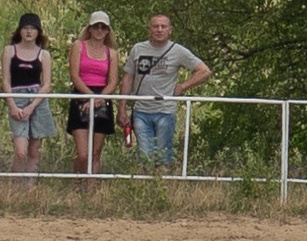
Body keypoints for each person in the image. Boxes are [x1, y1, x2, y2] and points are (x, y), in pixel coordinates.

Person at [119, 14, 210, 168]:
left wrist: (183, 86)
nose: (159, 30)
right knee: (145, 156)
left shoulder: (178, 51)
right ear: (149, 29)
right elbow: (128, 78)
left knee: (162, 156)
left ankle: (164, 187)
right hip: (141, 110)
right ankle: (144, 189)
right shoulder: (138, 49)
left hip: (165, 111)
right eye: (156, 26)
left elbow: (204, 71)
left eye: (163, 26)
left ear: (170, 30)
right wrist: (121, 108)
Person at [66, 13, 118, 178]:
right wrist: (90, 97)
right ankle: (76, 183)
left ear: (108, 31)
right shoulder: (78, 46)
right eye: (96, 26)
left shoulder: (112, 53)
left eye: (103, 27)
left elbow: (113, 81)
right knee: (82, 153)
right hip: (81, 95)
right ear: (90, 28)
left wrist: (99, 99)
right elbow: (74, 75)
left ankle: (91, 189)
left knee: (95, 152)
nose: (99, 30)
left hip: (102, 97)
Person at [6, 12, 53, 178]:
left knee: (34, 150)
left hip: (37, 99)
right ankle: (15, 186)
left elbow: (47, 84)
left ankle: (29, 188)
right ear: (19, 30)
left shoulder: (44, 55)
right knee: (20, 150)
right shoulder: (9, 51)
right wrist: (12, 105)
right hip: (16, 97)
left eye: (32, 28)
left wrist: (32, 106)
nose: (28, 32)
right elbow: (5, 81)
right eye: (25, 28)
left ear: (38, 32)